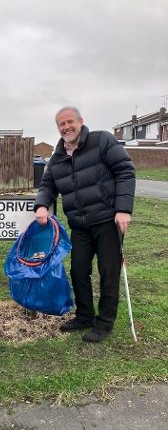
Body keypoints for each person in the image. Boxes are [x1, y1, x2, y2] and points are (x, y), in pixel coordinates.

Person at [34, 106, 136, 343]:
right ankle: (85, 316)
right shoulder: (57, 157)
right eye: (61, 124)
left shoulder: (102, 141)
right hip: (79, 225)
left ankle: (105, 322)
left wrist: (123, 209)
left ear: (81, 122)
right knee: (79, 270)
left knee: (108, 272)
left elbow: (125, 171)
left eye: (70, 122)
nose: (66, 127)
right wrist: (41, 205)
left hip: (107, 220)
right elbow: (47, 186)